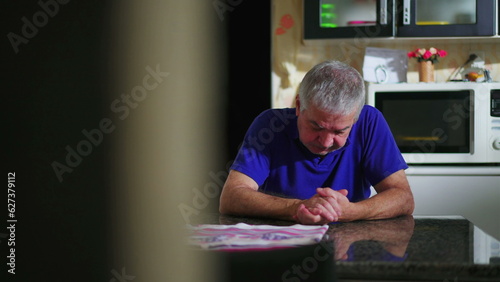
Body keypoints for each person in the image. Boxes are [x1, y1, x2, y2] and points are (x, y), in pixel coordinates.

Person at [219, 60, 414, 225]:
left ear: (355, 118)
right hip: (281, 245)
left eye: (339, 131)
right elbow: (231, 197)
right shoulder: (270, 125)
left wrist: (349, 211)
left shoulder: (370, 121)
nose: (326, 142)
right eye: (316, 126)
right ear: (298, 106)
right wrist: (297, 208)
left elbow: (403, 198)